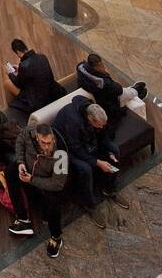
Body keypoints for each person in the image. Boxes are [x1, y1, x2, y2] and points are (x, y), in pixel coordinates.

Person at [53, 97, 126, 226]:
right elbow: (75, 148)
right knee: (85, 169)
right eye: (100, 125)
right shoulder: (73, 122)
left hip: (88, 141)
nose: (102, 126)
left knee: (114, 150)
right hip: (69, 149)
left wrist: (108, 152)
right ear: (90, 120)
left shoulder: (93, 113)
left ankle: (110, 189)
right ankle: (88, 204)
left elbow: (102, 133)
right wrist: (97, 162)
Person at [5, 123, 68, 255]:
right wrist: (20, 162)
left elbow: (57, 184)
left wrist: (32, 180)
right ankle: (23, 219)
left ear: (53, 140)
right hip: (29, 172)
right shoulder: (28, 131)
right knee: (10, 170)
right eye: (43, 142)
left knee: (53, 201)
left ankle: (56, 237)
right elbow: (20, 143)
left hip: (47, 181)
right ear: (37, 138)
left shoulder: (61, 154)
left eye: (49, 143)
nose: (46, 147)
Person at [75, 53, 147, 131]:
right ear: (96, 67)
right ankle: (136, 91)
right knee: (127, 93)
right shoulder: (104, 83)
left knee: (125, 91)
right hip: (108, 101)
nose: (103, 67)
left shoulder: (81, 69)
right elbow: (119, 90)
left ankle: (134, 90)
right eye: (101, 65)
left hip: (97, 95)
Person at [4, 39, 62, 116]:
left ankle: (11, 110)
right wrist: (20, 69)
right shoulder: (42, 57)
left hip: (38, 102)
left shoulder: (24, 65)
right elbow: (34, 72)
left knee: (7, 83)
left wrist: (10, 73)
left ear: (18, 52)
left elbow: (18, 84)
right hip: (53, 93)